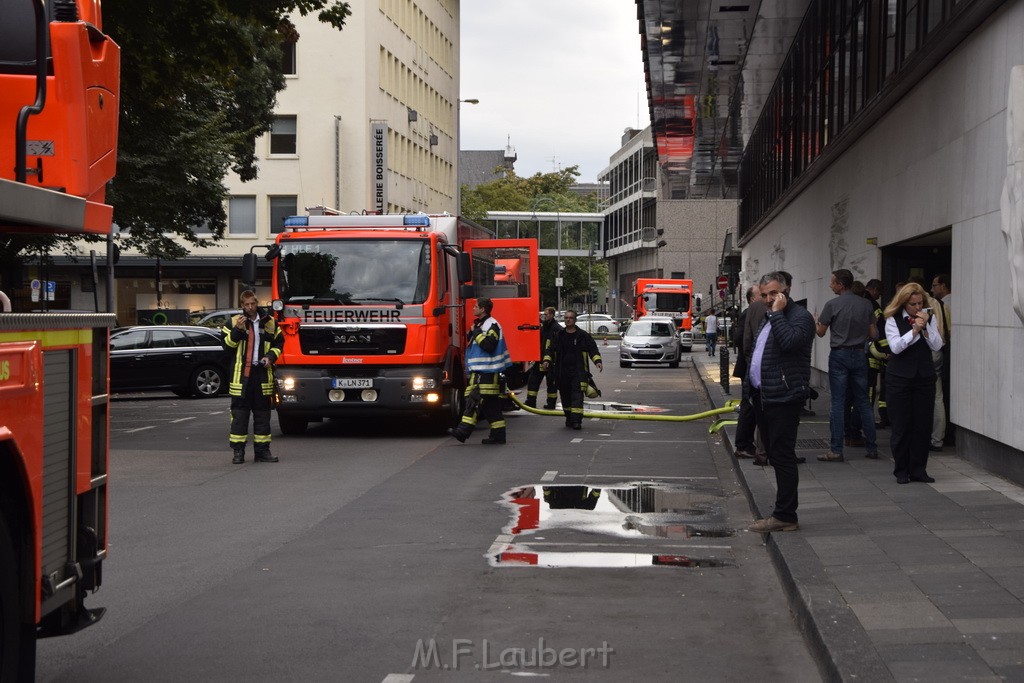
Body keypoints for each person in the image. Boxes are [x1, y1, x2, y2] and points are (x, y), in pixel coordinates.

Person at [746, 272, 816, 533]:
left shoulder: (799, 317)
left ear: (787, 290)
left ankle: (785, 515)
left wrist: (776, 313)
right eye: (763, 295)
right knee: (774, 455)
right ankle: (783, 512)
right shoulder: (769, 316)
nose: (767, 299)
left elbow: (789, 343)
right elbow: (758, 352)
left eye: (773, 294)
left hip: (784, 396)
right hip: (765, 396)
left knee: (783, 455)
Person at [815, 269, 879, 461]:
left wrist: (814, 321)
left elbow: (820, 332)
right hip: (860, 354)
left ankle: (836, 450)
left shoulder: (832, 305)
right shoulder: (866, 304)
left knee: (838, 401)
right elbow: (874, 334)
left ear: (841, 285)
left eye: (833, 282)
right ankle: (872, 447)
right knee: (863, 402)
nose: (830, 285)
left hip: (839, 354)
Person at [884, 283, 944, 484]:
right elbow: (896, 347)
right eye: (913, 304)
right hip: (899, 379)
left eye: (920, 303)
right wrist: (914, 330)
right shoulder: (892, 319)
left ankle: (919, 469)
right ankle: (901, 470)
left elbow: (937, 344)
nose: (918, 308)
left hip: (924, 377)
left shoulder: (930, 318)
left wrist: (925, 327)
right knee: (902, 425)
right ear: (903, 303)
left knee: (922, 425)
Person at [223, 290, 284, 464]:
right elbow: (227, 347)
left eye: (252, 304)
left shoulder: (269, 322)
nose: (250, 307)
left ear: (257, 303)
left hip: (262, 375)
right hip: (241, 377)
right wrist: (237, 331)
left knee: (263, 416)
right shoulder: (234, 322)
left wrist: (270, 357)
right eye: (246, 304)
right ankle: (238, 453)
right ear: (242, 305)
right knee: (239, 417)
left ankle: (262, 452)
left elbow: (279, 343)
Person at [448, 298, 511, 445]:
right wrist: (473, 331)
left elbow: (489, 345)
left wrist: (477, 333)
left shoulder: (492, 325)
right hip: (481, 371)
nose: (473, 309)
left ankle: (463, 432)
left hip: (487, 372)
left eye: (476, 307)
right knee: (491, 406)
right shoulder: (482, 324)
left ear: (483, 309)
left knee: (474, 401)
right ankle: (498, 435)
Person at [543, 309, 602, 430]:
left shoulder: (582, 336)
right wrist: (547, 360)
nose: (568, 320)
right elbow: (550, 350)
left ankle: (576, 421)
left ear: (575, 320)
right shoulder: (559, 335)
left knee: (577, 397)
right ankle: (569, 418)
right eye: (566, 318)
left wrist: (597, 361)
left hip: (578, 372)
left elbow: (593, 349)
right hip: (562, 372)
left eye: (570, 318)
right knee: (565, 397)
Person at [732, 287, 758, 459]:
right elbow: (739, 339)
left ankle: (747, 444)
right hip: (750, 367)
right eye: (761, 295)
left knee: (752, 406)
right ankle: (743, 445)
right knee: (748, 405)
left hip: (752, 367)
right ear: (751, 299)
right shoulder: (748, 313)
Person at [930, 273, 954, 446]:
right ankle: (937, 439)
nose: (932, 289)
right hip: (941, 352)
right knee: (938, 396)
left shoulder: (944, 304)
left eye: (935, 285)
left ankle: (931, 436)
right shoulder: (941, 304)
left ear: (943, 285)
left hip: (931, 351)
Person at [525, 307, 562, 410]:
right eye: (543, 314)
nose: (544, 316)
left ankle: (551, 404)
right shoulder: (544, 327)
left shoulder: (557, 328)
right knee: (533, 381)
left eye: (546, 315)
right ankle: (531, 402)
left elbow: (554, 346)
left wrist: (550, 359)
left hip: (551, 361)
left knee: (551, 384)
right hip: (540, 359)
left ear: (551, 315)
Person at [865, 279, 890, 429]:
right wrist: (886, 352)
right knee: (869, 388)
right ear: (874, 289)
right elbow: (880, 332)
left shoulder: (859, 301)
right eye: (879, 292)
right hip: (871, 354)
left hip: (856, 352)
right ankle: (867, 419)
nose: (879, 296)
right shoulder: (874, 307)